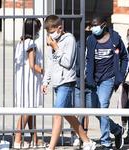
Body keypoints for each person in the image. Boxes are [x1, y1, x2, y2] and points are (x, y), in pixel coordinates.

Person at [41, 14, 96, 150]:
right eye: (49, 33)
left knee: (57, 114)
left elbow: (68, 62)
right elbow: (50, 63)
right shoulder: (52, 41)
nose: (51, 35)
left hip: (67, 82)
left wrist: (56, 47)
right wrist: (45, 81)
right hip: (57, 82)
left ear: (60, 28)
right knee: (69, 115)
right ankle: (88, 142)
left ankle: (51, 148)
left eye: (53, 32)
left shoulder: (69, 39)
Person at [85, 12, 129, 150]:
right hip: (94, 80)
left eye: (95, 25)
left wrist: (120, 75)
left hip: (108, 79)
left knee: (103, 108)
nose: (93, 28)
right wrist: (87, 74)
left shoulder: (115, 39)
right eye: (91, 25)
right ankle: (116, 130)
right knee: (96, 111)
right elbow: (87, 58)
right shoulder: (91, 40)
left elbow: (125, 57)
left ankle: (105, 142)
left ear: (103, 25)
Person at [14, 18, 46, 149]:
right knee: (27, 109)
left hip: (23, 79)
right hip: (30, 80)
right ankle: (17, 140)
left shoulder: (20, 42)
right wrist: (46, 72)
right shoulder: (31, 43)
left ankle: (35, 138)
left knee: (31, 109)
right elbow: (33, 65)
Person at [71, 21, 92, 146]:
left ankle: (85, 136)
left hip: (90, 83)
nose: (89, 31)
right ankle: (75, 136)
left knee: (86, 111)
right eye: (87, 29)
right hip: (78, 82)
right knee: (77, 110)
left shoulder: (94, 45)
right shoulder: (77, 45)